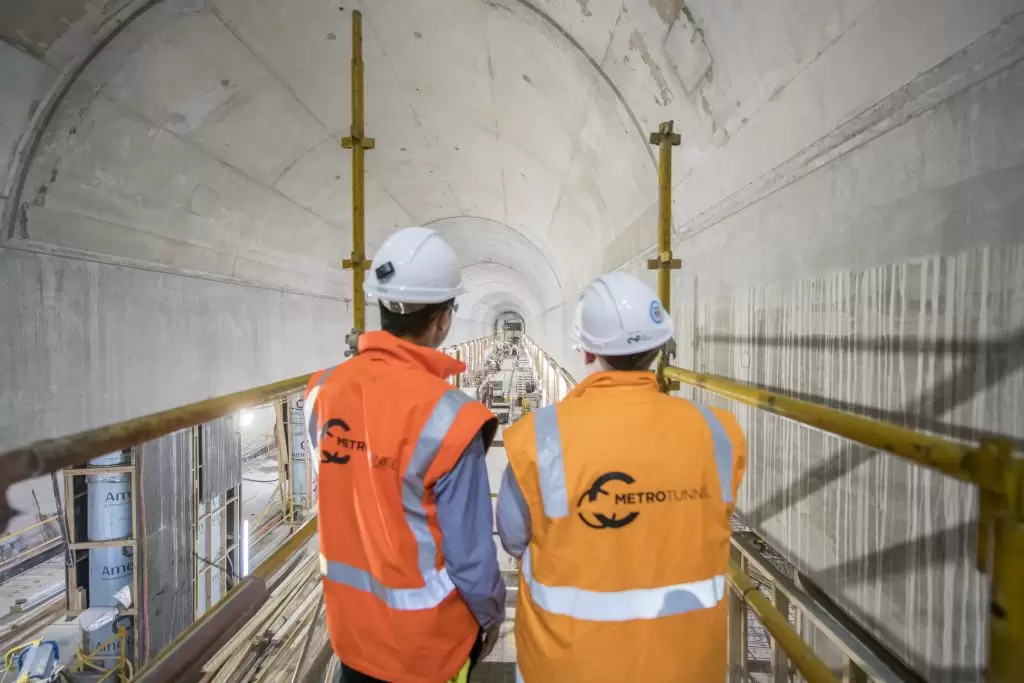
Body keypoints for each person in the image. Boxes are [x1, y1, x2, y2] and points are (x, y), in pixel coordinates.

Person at [496, 272, 747, 682]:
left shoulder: (540, 438)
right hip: (686, 666)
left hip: (568, 667)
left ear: (585, 353)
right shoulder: (718, 432)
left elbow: (513, 537)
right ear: (660, 349)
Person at [306, 226, 506, 683]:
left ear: (380, 308)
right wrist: (491, 618)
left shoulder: (322, 391)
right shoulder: (451, 417)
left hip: (351, 636)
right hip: (427, 651)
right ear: (443, 320)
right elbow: (471, 560)